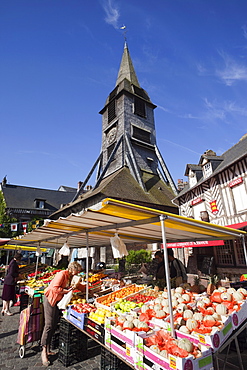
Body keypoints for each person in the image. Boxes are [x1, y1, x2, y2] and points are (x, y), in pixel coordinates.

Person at [40, 261, 83, 366]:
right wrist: (66, 291)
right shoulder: (62, 274)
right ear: (72, 269)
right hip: (51, 299)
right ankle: (43, 351)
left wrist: (89, 290)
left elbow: (77, 286)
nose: (77, 273)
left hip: (58, 302)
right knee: (49, 325)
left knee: (54, 324)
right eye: (77, 271)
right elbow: (55, 288)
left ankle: (48, 348)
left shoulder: (69, 277)